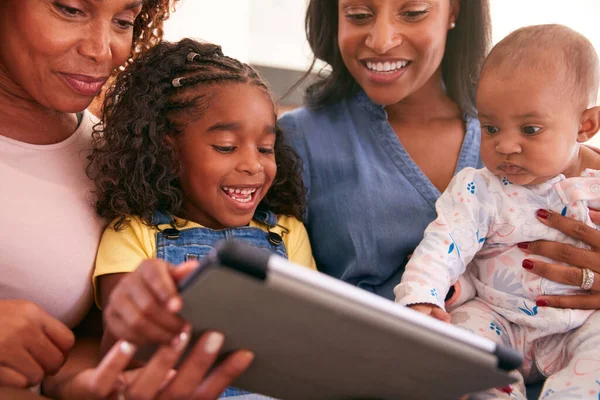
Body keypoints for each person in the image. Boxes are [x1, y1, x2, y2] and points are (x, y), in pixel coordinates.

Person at [280, 0, 600, 337]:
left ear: (455, 11)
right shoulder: (296, 141)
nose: (382, 40)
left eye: (413, 12)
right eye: (358, 15)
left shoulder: (532, 125)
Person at [0, 1, 253, 398]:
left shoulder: (111, 157)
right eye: (70, 9)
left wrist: (89, 385)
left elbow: (75, 341)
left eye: (123, 21)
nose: (103, 50)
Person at [88, 38, 316, 399]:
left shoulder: (287, 233)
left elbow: (311, 343)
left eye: (266, 148)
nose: (253, 165)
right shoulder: (134, 234)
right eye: (226, 146)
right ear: (168, 149)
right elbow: (121, 353)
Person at [394, 24, 600, 399]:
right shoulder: (480, 188)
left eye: (530, 129)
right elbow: (443, 243)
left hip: (582, 325)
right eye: (490, 128)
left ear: (585, 126)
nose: (505, 145)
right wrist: (421, 297)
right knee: (464, 342)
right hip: (495, 315)